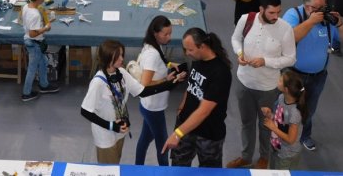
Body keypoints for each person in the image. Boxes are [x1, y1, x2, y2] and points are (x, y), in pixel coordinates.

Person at [81, 39, 181, 164]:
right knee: (109, 170)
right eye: (118, 56)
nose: (122, 59)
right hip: (105, 137)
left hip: (120, 132)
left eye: (122, 54)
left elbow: (143, 91)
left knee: (116, 164)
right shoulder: (98, 83)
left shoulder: (122, 73)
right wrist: (110, 125)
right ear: (108, 59)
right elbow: (85, 111)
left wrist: (169, 84)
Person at [227, 0, 296, 169]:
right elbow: (235, 38)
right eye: (271, 12)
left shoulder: (285, 28)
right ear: (261, 9)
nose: (276, 16)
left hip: (268, 88)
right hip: (244, 83)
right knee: (247, 123)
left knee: (266, 124)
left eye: (278, 12)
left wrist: (266, 61)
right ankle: (246, 156)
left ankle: (264, 157)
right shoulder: (246, 19)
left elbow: (290, 58)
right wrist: (240, 53)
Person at [283, 0, 343, 151]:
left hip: (318, 76)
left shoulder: (327, 20)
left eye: (325, 7)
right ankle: (284, 134)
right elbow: (289, 38)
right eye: (318, 8)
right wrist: (310, 22)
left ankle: (304, 135)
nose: (323, 11)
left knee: (309, 109)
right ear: (308, 7)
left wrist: (340, 24)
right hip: (294, 74)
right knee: (289, 107)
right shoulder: (294, 15)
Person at [163, 28, 232, 167]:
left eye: (190, 49)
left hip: (208, 133)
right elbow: (192, 85)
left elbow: (204, 111)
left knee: (209, 170)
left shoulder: (221, 72)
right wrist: (182, 107)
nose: (187, 54)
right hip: (185, 124)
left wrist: (177, 134)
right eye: (185, 49)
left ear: (203, 46)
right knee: (178, 166)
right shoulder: (197, 59)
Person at [135, 16, 186, 166]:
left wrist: (170, 64)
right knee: (163, 144)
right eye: (166, 34)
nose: (169, 37)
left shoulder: (153, 44)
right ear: (155, 33)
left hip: (147, 105)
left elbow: (160, 60)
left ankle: (138, 167)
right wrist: (165, 80)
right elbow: (145, 84)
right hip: (153, 108)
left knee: (145, 138)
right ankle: (165, 171)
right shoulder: (152, 54)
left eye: (170, 33)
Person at [21, 0, 60, 102]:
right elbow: (33, 34)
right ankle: (26, 93)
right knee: (32, 69)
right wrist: (45, 28)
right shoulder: (35, 14)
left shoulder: (26, 7)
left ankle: (44, 85)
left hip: (32, 42)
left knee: (43, 62)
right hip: (34, 44)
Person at [261, 69, 307, 169]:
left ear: (286, 89)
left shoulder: (295, 113)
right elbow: (280, 120)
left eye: (280, 80)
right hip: (277, 147)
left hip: (286, 155)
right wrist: (270, 115)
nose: (278, 80)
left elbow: (291, 140)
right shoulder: (281, 98)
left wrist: (273, 128)